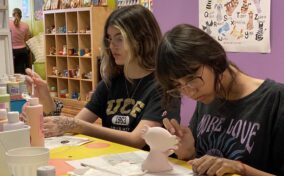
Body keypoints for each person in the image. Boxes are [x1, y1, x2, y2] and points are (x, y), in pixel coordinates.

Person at [25, 5, 180, 149]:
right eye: (109, 38)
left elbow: (137, 140)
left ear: (142, 40)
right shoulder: (110, 83)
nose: (112, 46)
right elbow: (72, 127)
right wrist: (47, 101)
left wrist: (77, 125)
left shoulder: (163, 86)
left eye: (120, 38)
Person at [155, 24, 284, 176]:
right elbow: (203, 165)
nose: (189, 92)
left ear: (213, 58)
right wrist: (188, 153)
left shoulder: (275, 99)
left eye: (191, 78)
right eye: (179, 86)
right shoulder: (207, 97)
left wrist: (240, 168)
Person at [9, 8, 31, 74]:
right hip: (23, 51)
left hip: (12, 51)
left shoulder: (8, 24)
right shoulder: (26, 26)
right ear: (21, 16)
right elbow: (26, 39)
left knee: (13, 71)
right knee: (22, 70)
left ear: (12, 15)